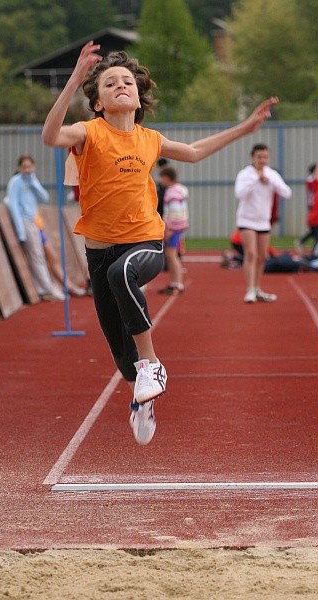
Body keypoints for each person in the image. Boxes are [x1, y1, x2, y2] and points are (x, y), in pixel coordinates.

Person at [41, 40, 280, 444]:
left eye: (128, 82)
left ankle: (153, 364)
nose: (121, 86)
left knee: (124, 275)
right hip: (99, 252)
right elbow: (50, 137)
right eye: (110, 83)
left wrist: (245, 128)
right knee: (122, 359)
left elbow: (196, 150)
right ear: (97, 102)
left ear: (138, 96)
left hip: (145, 242)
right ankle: (143, 396)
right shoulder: (88, 133)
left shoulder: (150, 139)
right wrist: (74, 80)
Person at [235, 143, 292, 304]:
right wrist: (255, 181)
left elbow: (287, 193)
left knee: (262, 256)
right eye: (259, 157)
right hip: (246, 220)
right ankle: (250, 289)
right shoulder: (245, 174)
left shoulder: (272, 174)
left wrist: (271, 183)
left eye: (265, 157)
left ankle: (258, 288)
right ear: (252, 157)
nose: (262, 160)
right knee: (251, 253)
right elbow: (239, 194)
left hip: (264, 221)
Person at [6, 154, 64, 301]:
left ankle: (45, 286)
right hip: (25, 221)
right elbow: (13, 205)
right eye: (24, 167)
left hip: (34, 222)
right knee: (37, 255)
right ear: (19, 168)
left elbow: (44, 197)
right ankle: (47, 288)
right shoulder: (15, 182)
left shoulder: (32, 181)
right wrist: (20, 231)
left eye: (29, 166)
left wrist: (33, 182)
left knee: (39, 255)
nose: (27, 169)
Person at [34, 212, 87, 296]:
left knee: (53, 258)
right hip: (33, 228)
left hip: (39, 229)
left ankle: (68, 285)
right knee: (46, 259)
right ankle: (65, 286)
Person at [157, 166, 189, 295]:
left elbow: (175, 212)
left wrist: (168, 229)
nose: (160, 180)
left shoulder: (172, 192)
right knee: (171, 256)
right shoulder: (179, 189)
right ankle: (174, 282)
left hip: (174, 228)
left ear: (166, 177)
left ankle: (178, 283)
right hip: (179, 226)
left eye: (161, 177)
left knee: (172, 255)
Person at [295, 163, 318, 256]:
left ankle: (301, 242)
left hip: (314, 209)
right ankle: (314, 254)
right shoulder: (311, 181)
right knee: (315, 231)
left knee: (314, 231)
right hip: (314, 210)